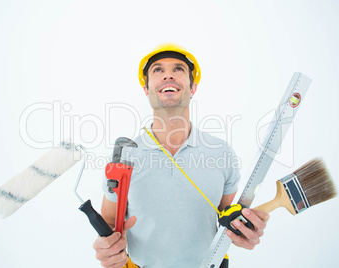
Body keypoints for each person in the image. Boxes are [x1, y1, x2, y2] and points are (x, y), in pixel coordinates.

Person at [93, 43, 269, 268]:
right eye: (158, 70)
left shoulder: (221, 152)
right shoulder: (125, 155)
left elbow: (230, 217)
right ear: (146, 89)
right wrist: (106, 248)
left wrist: (247, 231)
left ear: (192, 87)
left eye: (178, 69)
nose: (168, 75)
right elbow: (109, 221)